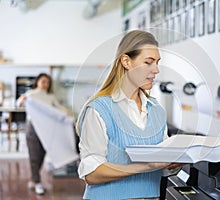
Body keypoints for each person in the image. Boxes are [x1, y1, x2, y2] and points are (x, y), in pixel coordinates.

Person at [77, 30, 181, 200]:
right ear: (126, 61)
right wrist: (146, 166)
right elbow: (92, 173)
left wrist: (171, 164)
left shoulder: (156, 110)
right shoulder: (99, 109)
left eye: (157, 62)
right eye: (148, 62)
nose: (156, 70)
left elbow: (159, 167)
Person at [17, 73, 70, 195]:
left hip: (47, 129)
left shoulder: (50, 97)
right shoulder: (31, 95)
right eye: (43, 81)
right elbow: (18, 103)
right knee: (34, 156)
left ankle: (33, 178)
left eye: (47, 82)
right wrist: (22, 99)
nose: (45, 84)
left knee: (41, 155)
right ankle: (37, 182)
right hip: (33, 129)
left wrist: (67, 113)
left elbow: (58, 108)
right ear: (38, 82)